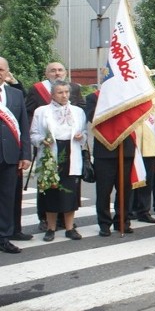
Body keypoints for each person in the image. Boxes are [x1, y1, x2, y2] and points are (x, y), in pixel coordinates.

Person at [25, 62, 85, 233]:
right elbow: (32, 127)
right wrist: (41, 140)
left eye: (60, 70)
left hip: (71, 151)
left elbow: (83, 126)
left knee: (69, 190)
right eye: (53, 70)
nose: (65, 95)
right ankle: (48, 224)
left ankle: (68, 226)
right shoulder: (40, 104)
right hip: (50, 151)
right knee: (49, 189)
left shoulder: (76, 105)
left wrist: (82, 136)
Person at [85, 90, 136, 236]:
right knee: (103, 191)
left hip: (126, 149)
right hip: (104, 151)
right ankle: (104, 223)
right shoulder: (93, 98)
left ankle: (122, 221)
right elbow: (93, 118)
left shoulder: (129, 94)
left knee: (125, 190)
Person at [0, 57, 32, 253]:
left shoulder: (15, 94)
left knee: (6, 198)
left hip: (10, 156)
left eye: (1, 69)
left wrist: (25, 154)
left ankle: (3, 236)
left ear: (7, 72)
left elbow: (23, 126)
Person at [131, 66, 155, 224]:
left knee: (147, 181)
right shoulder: (128, 95)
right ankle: (128, 210)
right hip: (132, 144)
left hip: (150, 145)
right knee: (131, 180)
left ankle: (144, 210)